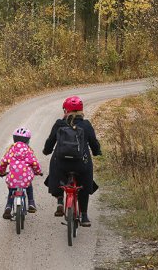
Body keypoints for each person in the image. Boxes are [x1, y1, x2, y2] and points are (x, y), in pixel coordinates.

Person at [42, 96, 101, 227]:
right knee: (85, 182)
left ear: (65, 110)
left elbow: (50, 142)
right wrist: (97, 152)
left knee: (55, 172)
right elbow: (94, 143)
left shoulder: (59, 124)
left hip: (61, 164)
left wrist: (46, 151)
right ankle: (84, 216)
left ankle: (60, 201)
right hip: (81, 164)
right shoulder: (86, 125)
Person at [0, 127, 42, 219]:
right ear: (28, 141)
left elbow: (3, 162)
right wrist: (38, 172)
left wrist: (1, 171)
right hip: (26, 177)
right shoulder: (28, 150)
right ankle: (31, 203)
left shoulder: (11, 150)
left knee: (11, 189)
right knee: (29, 185)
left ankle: (8, 206)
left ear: (14, 138)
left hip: (13, 178)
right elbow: (35, 163)